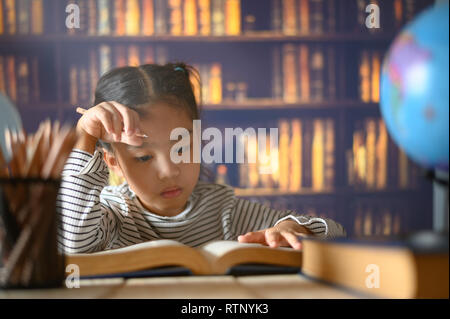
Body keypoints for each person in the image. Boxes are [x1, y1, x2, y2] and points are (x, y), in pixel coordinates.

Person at [57, 63, 346, 254]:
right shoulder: (112, 215)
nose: (169, 171)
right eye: (144, 158)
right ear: (113, 163)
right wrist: (85, 137)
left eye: (181, 148)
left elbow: (335, 233)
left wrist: (294, 229)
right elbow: (75, 245)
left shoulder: (225, 211)